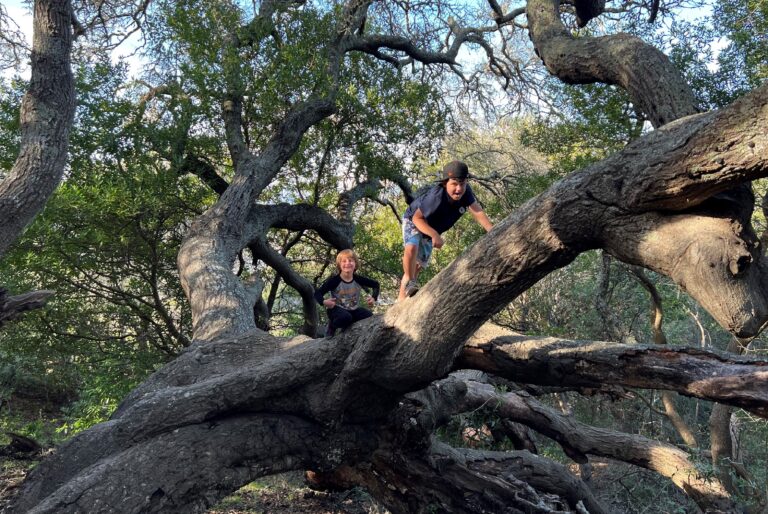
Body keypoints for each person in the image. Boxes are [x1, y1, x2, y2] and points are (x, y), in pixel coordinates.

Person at [399, 160, 493, 301]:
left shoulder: (466, 193)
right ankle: (410, 283)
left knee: (417, 266)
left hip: (431, 229)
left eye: (462, 183)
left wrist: (492, 230)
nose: (459, 189)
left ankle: (401, 299)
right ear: (445, 183)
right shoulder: (435, 197)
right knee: (411, 248)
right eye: (454, 184)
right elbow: (417, 219)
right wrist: (434, 235)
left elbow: (477, 211)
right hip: (415, 220)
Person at [314, 249, 380, 337]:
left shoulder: (358, 279)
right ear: (339, 265)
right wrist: (324, 302)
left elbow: (376, 285)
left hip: (353, 310)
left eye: (350, 260)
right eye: (344, 261)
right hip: (335, 310)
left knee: (370, 316)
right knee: (345, 318)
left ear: (355, 264)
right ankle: (332, 326)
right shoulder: (335, 281)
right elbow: (317, 293)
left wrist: (373, 298)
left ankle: (348, 324)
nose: (347, 263)